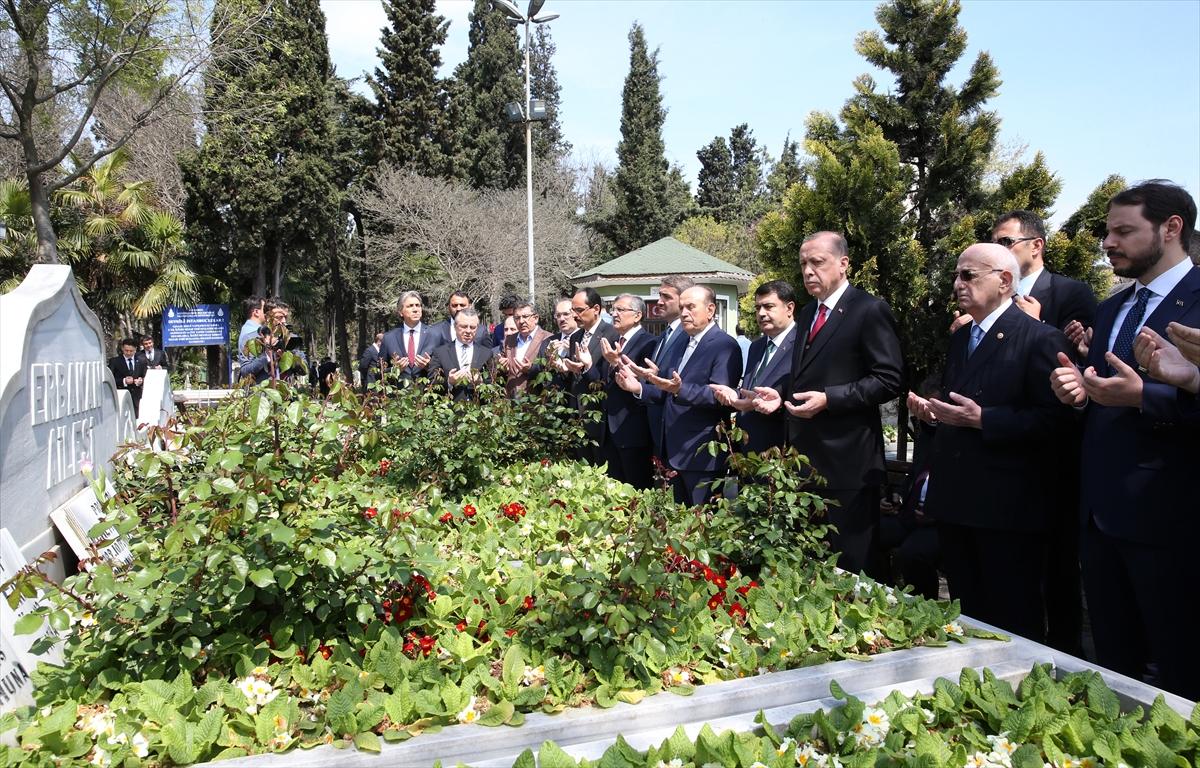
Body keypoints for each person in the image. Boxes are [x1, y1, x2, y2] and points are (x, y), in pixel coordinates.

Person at [1049, 180, 1200, 699]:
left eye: (1123, 231)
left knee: (1180, 673)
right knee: (1114, 669)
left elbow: (1152, 397)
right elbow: (1103, 392)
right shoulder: (1111, 310)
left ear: (1171, 228)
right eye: (1107, 232)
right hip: (1100, 518)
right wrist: (1078, 392)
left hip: (1173, 521)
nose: (1107, 243)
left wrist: (1147, 398)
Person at [909, 244, 1071, 642]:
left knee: (1013, 618)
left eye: (968, 276)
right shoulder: (962, 337)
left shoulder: (1039, 339)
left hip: (1006, 509)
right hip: (957, 502)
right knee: (969, 615)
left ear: (1003, 281)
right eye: (956, 276)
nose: (957, 284)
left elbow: (1057, 420)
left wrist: (985, 420)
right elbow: (958, 401)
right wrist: (936, 414)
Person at [753, 232, 904, 578]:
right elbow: (804, 376)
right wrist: (782, 397)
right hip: (805, 464)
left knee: (853, 569)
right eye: (804, 263)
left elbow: (889, 379)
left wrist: (830, 399)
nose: (808, 271)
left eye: (817, 262)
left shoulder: (869, 310)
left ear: (843, 263)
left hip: (848, 465)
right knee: (813, 567)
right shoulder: (806, 314)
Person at [990, 210, 1096, 655]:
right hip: (1001, 441)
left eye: (1006, 241)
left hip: (1052, 448)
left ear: (1036, 246)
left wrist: (1035, 326)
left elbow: (1087, 362)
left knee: (1057, 562)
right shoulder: (991, 294)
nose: (998, 248)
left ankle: (1066, 649)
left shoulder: (1071, 293)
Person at [617, 285, 742, 505]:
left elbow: (720, 397)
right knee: (677, 526)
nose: (684, 313)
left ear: (711, 310)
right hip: (672, 450)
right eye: (682, 307)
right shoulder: (681, 343)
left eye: (691, 307)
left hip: (702, 454)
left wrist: (679, 389)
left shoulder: (724, 345)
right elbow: (667, 389)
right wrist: (638, 388)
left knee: (703, 525)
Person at [709, 280, 797, 453]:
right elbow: (752, 389)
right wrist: (734, 395)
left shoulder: (804, 343)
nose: (761, 313)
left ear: (789, 308)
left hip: (782, 450)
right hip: (748, 449)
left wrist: (774, 403)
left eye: (768, 306)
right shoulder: (756, 346)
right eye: (757, 308)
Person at [596, 294, 657, 489]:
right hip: (610, 431)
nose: (614, 314)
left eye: (621, 310)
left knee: (636, 491)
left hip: (633, 430)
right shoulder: (613, 341)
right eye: (613, 309)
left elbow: (644, 383)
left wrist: (615, 362)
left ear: (637, 315)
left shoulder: (648, 342)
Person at [556, 288, 620, 464]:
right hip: (576, 412)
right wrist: (564, 368)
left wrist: (587, 367)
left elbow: (607, 378)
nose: (575, 316)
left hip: (599, 413)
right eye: (573, 311)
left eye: (579, 310)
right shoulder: (576, 336)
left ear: (596, 309)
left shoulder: (611, 334)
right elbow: (573, 375)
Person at [642, 276, 696, 462]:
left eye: (666, 296)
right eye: (659, 295)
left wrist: (639, 387)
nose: (659, 302)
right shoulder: (666, 334)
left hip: (681, 436)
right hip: (658, 429)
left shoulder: (689, 335)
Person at [427, 308, 495, 401]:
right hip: (449, 410)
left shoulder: (486, 353)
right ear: (455, 326)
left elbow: (494, 387)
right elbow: (432, 385)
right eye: (463, 326)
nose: (468, 331)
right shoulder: (440, 353)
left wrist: (480, 382)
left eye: (472, 327)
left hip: (478, 409)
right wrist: (449, 382)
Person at [379, 291, 439, 382]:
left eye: (418, 305)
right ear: (400, 312)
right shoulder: (388, 338)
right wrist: (395, 370)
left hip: (428, 393)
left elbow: (446, 371)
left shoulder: (435, 335)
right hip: (399, 394)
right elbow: (379, 373)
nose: (415, 309)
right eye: (410, 306)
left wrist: (429, 366)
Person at [502, 301, 553, 396]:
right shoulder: (509, 340)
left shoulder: (549, 339)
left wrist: (531, 369)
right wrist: (502, 365)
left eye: (525, 317)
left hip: (536, 400)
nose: (521, 321)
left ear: (536, 318)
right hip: (511, 402)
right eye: (517, 318)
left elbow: (551, 373)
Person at [108, 338, 147, 405]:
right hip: (121, 396)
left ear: (135, 349)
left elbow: (146, 376)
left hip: (137, 397)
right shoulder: (114, 361)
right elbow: (110, 379)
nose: (128, 353)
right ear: (122, 348)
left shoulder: (141, 361)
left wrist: (141, 380)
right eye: (126, 350)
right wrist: (124, 381)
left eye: (131, 351)